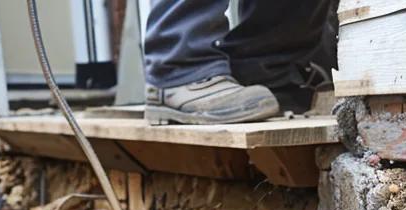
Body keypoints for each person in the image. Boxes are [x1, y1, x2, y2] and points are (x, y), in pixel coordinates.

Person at [143, 0, 336, 125]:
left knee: (268, 68)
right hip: (181, 68)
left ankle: (266, 68)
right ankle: (181, 68)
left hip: (274, 67)